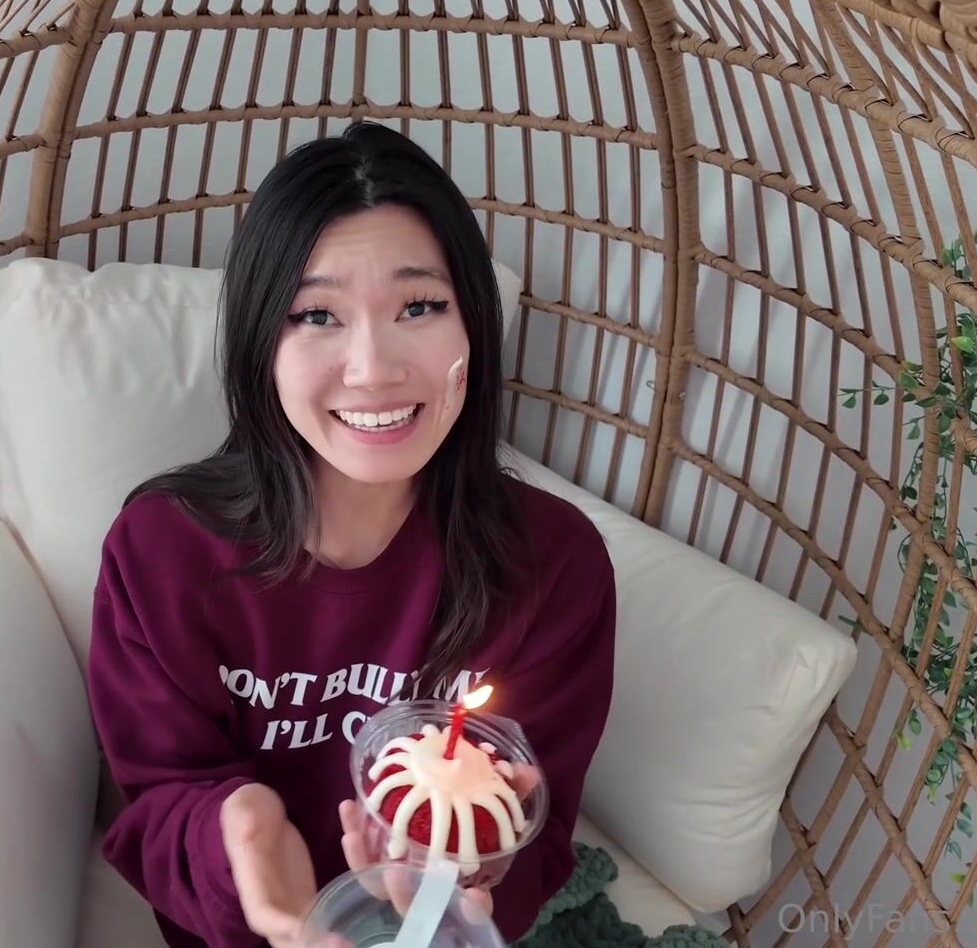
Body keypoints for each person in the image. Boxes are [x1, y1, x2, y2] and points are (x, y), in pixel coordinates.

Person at [86, 122, 617, 947]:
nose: (373, 369)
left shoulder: (553, 563)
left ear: (473, 328)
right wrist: (238, 833)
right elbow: (157, 802)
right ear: (262, 343)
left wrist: (472, 875)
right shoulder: (162, 552)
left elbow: (536, 840)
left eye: (419, 306)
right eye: (317, 315)